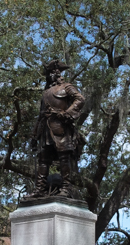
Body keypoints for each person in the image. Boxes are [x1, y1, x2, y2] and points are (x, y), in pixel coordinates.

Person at [26, 59, 86, 199]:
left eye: (53, 72)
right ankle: (40, 189)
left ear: (58, 73)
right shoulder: (46, 92)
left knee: (64, 157)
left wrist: (67, 114)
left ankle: (66, 188)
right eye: (49, 73)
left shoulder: (67, 87)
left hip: (61, 128)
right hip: (45, 129)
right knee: (43, 159)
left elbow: (80, 99)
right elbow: (41, 115)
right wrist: (35, 135)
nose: (51, 75)